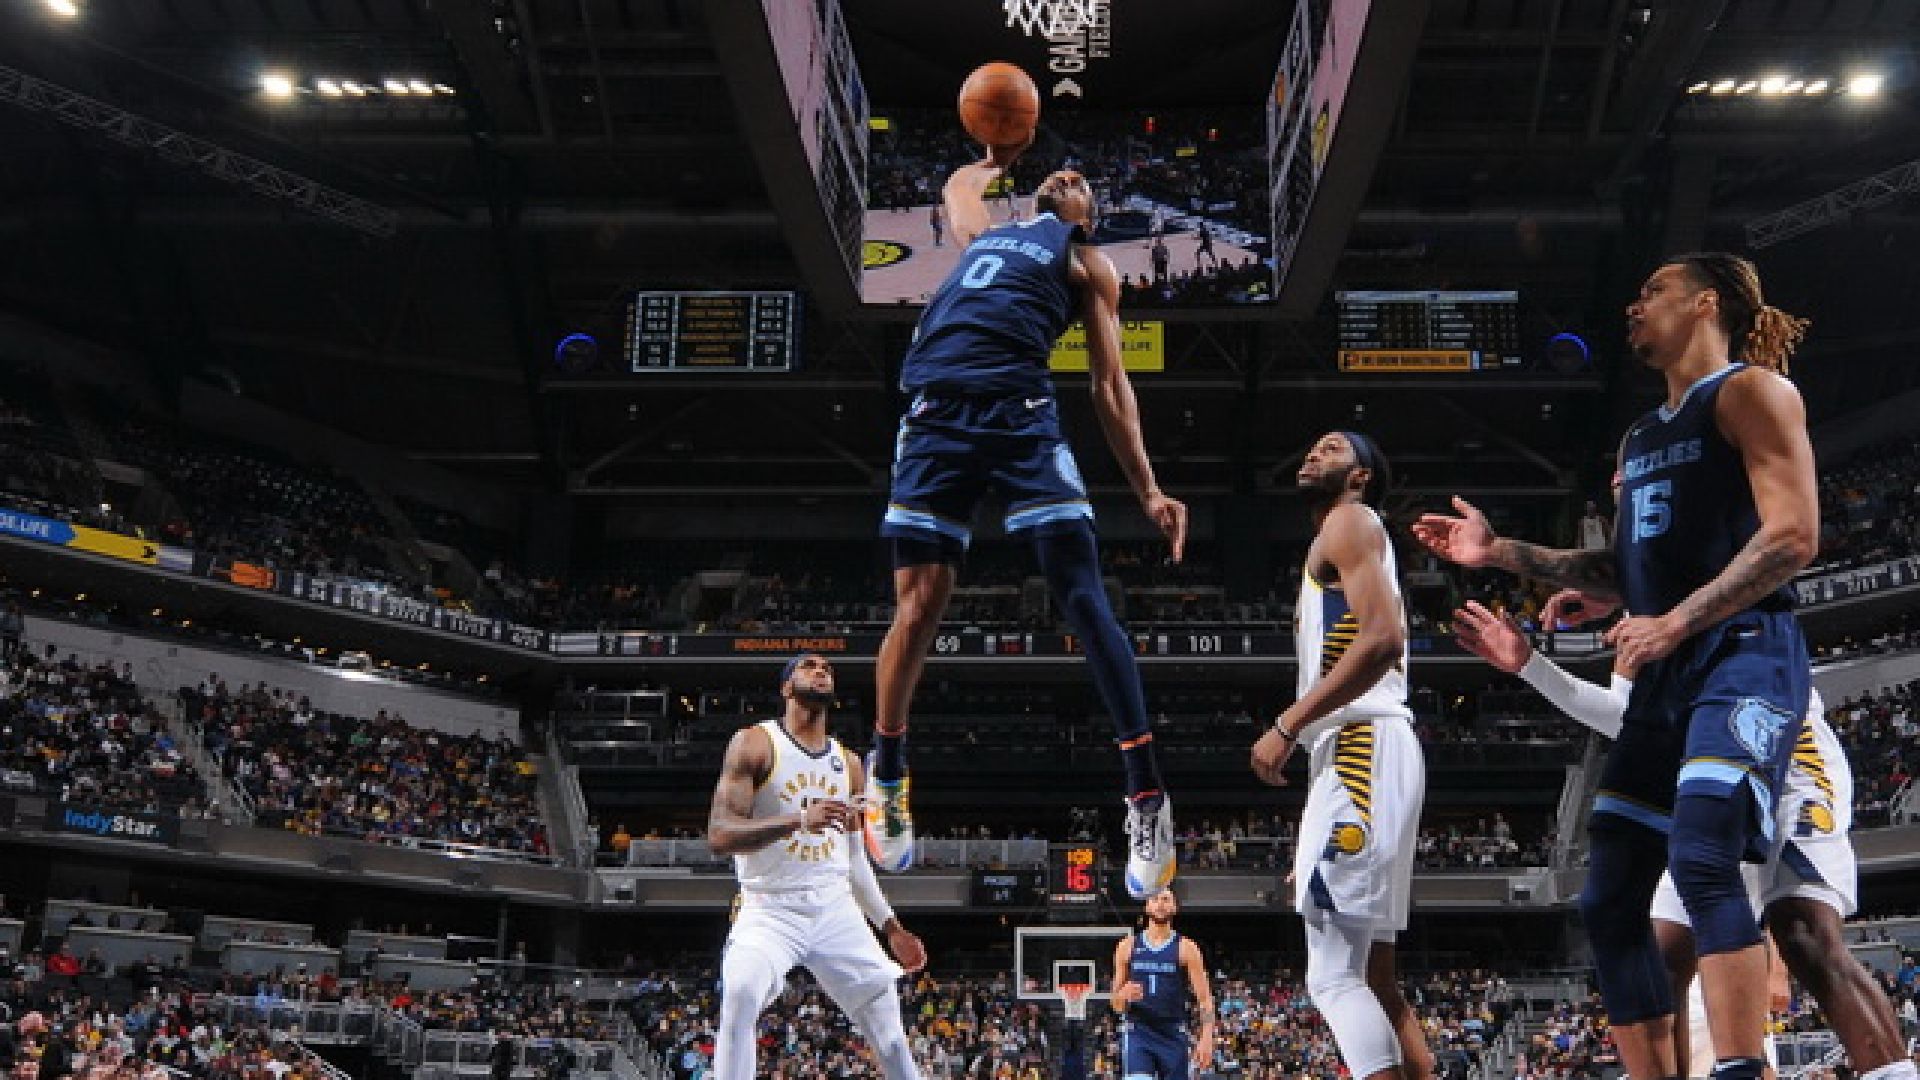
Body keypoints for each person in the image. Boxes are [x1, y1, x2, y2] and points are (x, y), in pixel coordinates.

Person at [1414, 252, 1818, 1080]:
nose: (1634, 306)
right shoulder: (1641, 437)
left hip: (1743, 656)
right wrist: (1500, 552)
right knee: (1606, 898)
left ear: (1705, 304)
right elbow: (1622, 569)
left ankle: (1742, 1070)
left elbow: (1794, 537)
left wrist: (1677, 619)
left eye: (1653, 292)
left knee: (1702, 859)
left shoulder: (1751, 393)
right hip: (1667, 672)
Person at [866, 132, 1189, 899]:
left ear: (1088, 215)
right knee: (919, 604)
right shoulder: (991, 235)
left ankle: (1146, 795)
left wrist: (1147, 489)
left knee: (1082, 594)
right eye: (1063, 173)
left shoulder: (1088, 264)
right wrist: (992, 157)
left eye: (1084, 182)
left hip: (1020, 415)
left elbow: (1109, 384)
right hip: (936, 415)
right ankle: (888, 773)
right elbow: (957, 193)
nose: (1071, 173)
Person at [1454, 598, 1916, 1080]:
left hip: (1784, 753)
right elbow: (1629, 720)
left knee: (1804, 932)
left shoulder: (1706, 593)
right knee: (1662, 960)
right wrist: (1530, 663)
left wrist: (1537, 657)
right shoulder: (1638, 616)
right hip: (1707, 778)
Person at [1251, 430, 1430, 1080]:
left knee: (1332, 976)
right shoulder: (1346, 535)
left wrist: (1287, 724)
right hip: (1365, 754)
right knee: (1376, 977)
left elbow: (1382, 639)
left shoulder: (1349, 521)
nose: (1311, 453)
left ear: (1361, 477)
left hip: (1360, 746)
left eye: (1331, 448)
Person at [706, 653, 927, 1080]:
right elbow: (719, 835)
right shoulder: (755, 743)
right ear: (786, 687)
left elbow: (855, 859)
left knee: (891, 1036)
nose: (821, 670)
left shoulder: (849, 764)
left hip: (834, 908)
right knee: (740, 992)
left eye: (827, 668)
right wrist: (798, 820)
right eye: (808, 666)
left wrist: (891, 927)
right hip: (769, 908)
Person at [1109, 888, 1215, 1079]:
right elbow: (1115, 1005)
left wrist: (1206, 1037)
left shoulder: (1187, 948)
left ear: (1175, 907)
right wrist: (1122, 996)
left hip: (1173, 1033)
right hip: (1139, 1031)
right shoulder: (1127, 946)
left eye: (1166, 899)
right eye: (1155, 899)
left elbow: (1205, 999)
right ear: (1147, 906)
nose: (1160, 904)